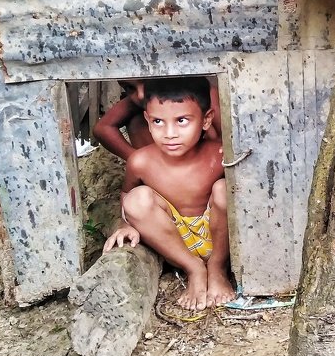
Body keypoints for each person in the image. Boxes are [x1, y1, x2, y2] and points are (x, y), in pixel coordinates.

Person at [102, 77, 234, 310]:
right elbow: (126, 195)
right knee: (136, 199)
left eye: (182, 120)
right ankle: (193, 268)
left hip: (217, 236)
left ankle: (216, 269)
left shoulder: (219, 155)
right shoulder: (140, 161)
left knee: (224, 190)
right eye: (158, 121)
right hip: (174, 241)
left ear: (206, 120)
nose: (169, 133)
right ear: (147, 120)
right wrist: (124, 224)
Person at [94, 77, 222, 162]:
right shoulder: (136, 103)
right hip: (158, 169)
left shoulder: (203, 91)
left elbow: (225, 136)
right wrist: (137, 159)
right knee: (136, 121)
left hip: (203, 164)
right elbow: (102, 128)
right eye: (129, 88)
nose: (140, 95)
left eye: (145, 83)